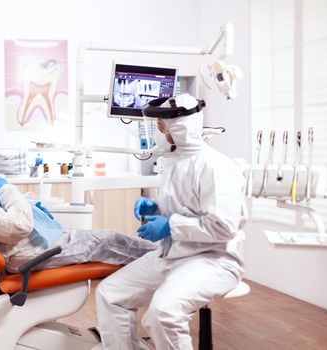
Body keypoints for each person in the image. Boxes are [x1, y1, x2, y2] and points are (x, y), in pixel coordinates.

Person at [96, 93, 247, 350]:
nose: (157, 132)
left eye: (160, 126)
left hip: (213, 260)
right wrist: (158, 208)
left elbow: (223, 226)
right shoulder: (175, 161)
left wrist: (169, 226)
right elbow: (186, 207)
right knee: (110, 294)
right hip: (172, 254)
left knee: (162, 314)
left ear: (178, 128)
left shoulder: (215, 166)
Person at [0, 144, 157, 272]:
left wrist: (29, 203)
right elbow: (19, 226)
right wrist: (6, 188)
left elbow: (4, 214)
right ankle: (163, 260)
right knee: (107, 240)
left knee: (104, 239)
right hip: (32, 255)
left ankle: (159, 258)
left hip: (36, 247)